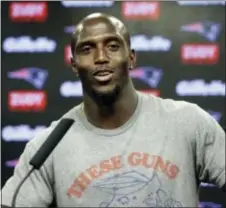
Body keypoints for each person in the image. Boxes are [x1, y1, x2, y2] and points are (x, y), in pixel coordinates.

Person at [1, 13, 225, 207]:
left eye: (113, 46)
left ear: (131, 58)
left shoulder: (186, 122)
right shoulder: (47, 148)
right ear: (74, 65)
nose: (100, 58)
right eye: (87, 49)